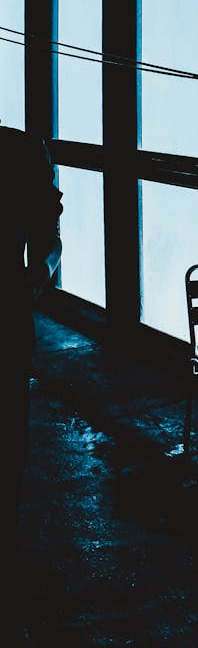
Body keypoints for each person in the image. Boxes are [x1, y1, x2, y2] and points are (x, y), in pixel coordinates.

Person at [2, 122, 63, 544]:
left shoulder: (20, 152)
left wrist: (38, 273)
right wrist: (39, 274)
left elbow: (49, 239)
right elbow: (50, 239)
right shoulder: (22, 151)